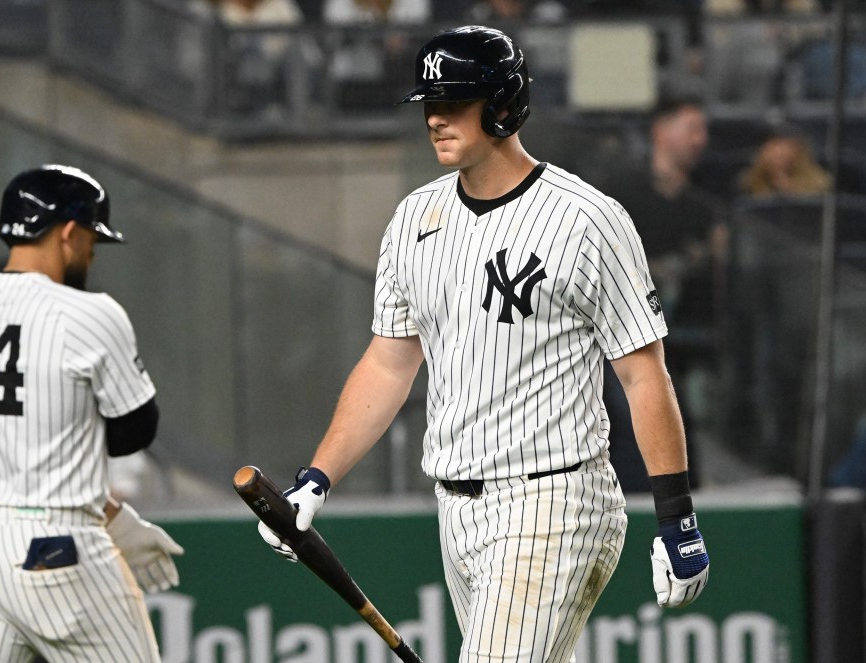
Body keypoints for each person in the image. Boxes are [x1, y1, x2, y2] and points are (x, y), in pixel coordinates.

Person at [258, 26, 710, 661]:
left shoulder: (587, 218)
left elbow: (643, 374)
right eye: (428, 104)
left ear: (502, 104)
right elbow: (389, 364)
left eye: (453, 102)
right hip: (456, 510)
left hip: (554, 502)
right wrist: (316, 479)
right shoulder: (413, 219)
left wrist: (677, 516)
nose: (434, 118)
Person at [0, 165, 184, 662]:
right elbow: (136, 430)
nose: (92, 251)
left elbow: (28, 448)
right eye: (91, 236)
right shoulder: (89, 312)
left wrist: (108, 512)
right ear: (68, 232)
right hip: (53, 547)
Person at [601, 95, 725, 491]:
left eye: (703, 131)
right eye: (691, 129)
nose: (700, 139)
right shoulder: (621, 193)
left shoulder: (703, 203)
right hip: (619, 337)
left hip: (684, 334)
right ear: (661, 130)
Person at [738, 130, 832, 198]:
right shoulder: (748, 184)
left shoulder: (818, 183)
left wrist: (790, 189)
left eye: (784, 147)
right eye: (773, 146)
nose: (778, 153)